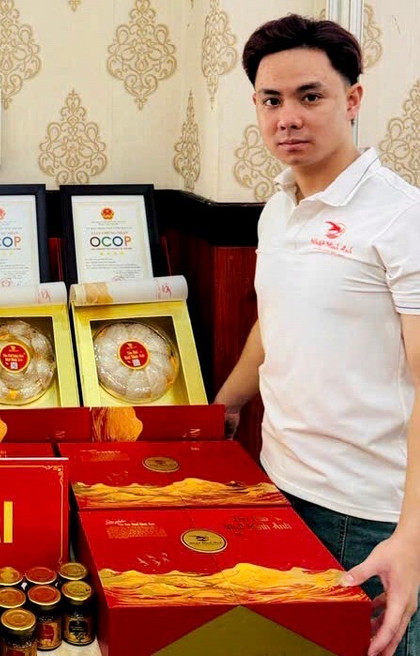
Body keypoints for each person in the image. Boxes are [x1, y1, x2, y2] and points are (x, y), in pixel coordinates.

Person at [215, 14, 420, 656]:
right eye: (271, 100)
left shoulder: (402, 217)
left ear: (352, 100)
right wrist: (227, 402)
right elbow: (275, 319)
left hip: (371, 517)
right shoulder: (279, 208)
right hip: (277, 487)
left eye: (310, 96)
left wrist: (411, 539)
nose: (288, 118)